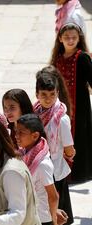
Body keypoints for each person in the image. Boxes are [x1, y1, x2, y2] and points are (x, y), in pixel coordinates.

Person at [50, 23, 92, 183]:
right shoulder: (58, 57)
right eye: (67, 37)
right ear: (60, 38)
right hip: (60, 106)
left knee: (78, 137)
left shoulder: (82, 58)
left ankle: (79, 173)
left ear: (79, 39)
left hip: (79, 108)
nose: (70, 40)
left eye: (74, 37)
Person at [34, 70, 75, 224]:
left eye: (52, 94)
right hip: (39, 166)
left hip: (55, 169)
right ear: (37, 94)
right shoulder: (35, 111)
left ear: (58, 93)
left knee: (60, 210)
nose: (48, 99)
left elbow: (68, 146)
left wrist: (70, 154)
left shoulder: (61, 118)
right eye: (44, 94)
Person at [16, 114, 59, 225]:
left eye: (21, 133)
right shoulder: (23, 153)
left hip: (41, 218)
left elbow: (53, 196)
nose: (16, 136)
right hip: (28, 215)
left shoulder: (42, 164)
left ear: (35, 136)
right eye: (16, 131)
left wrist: (54, 220)